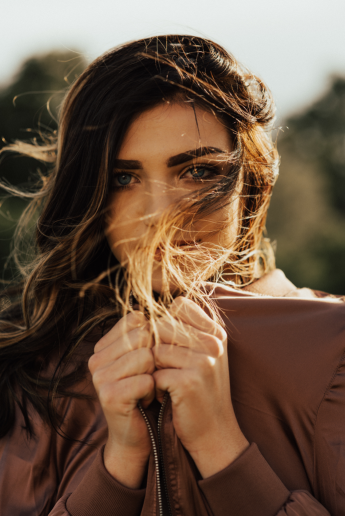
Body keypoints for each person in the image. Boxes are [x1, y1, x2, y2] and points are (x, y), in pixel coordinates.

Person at [0, 34, 344, 516]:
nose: (160, 214)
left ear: (253, 180)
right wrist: (119, 465)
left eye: (198, 172)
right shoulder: (31, 374)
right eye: (124, 178)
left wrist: (220, 447)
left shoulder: (333, 350)